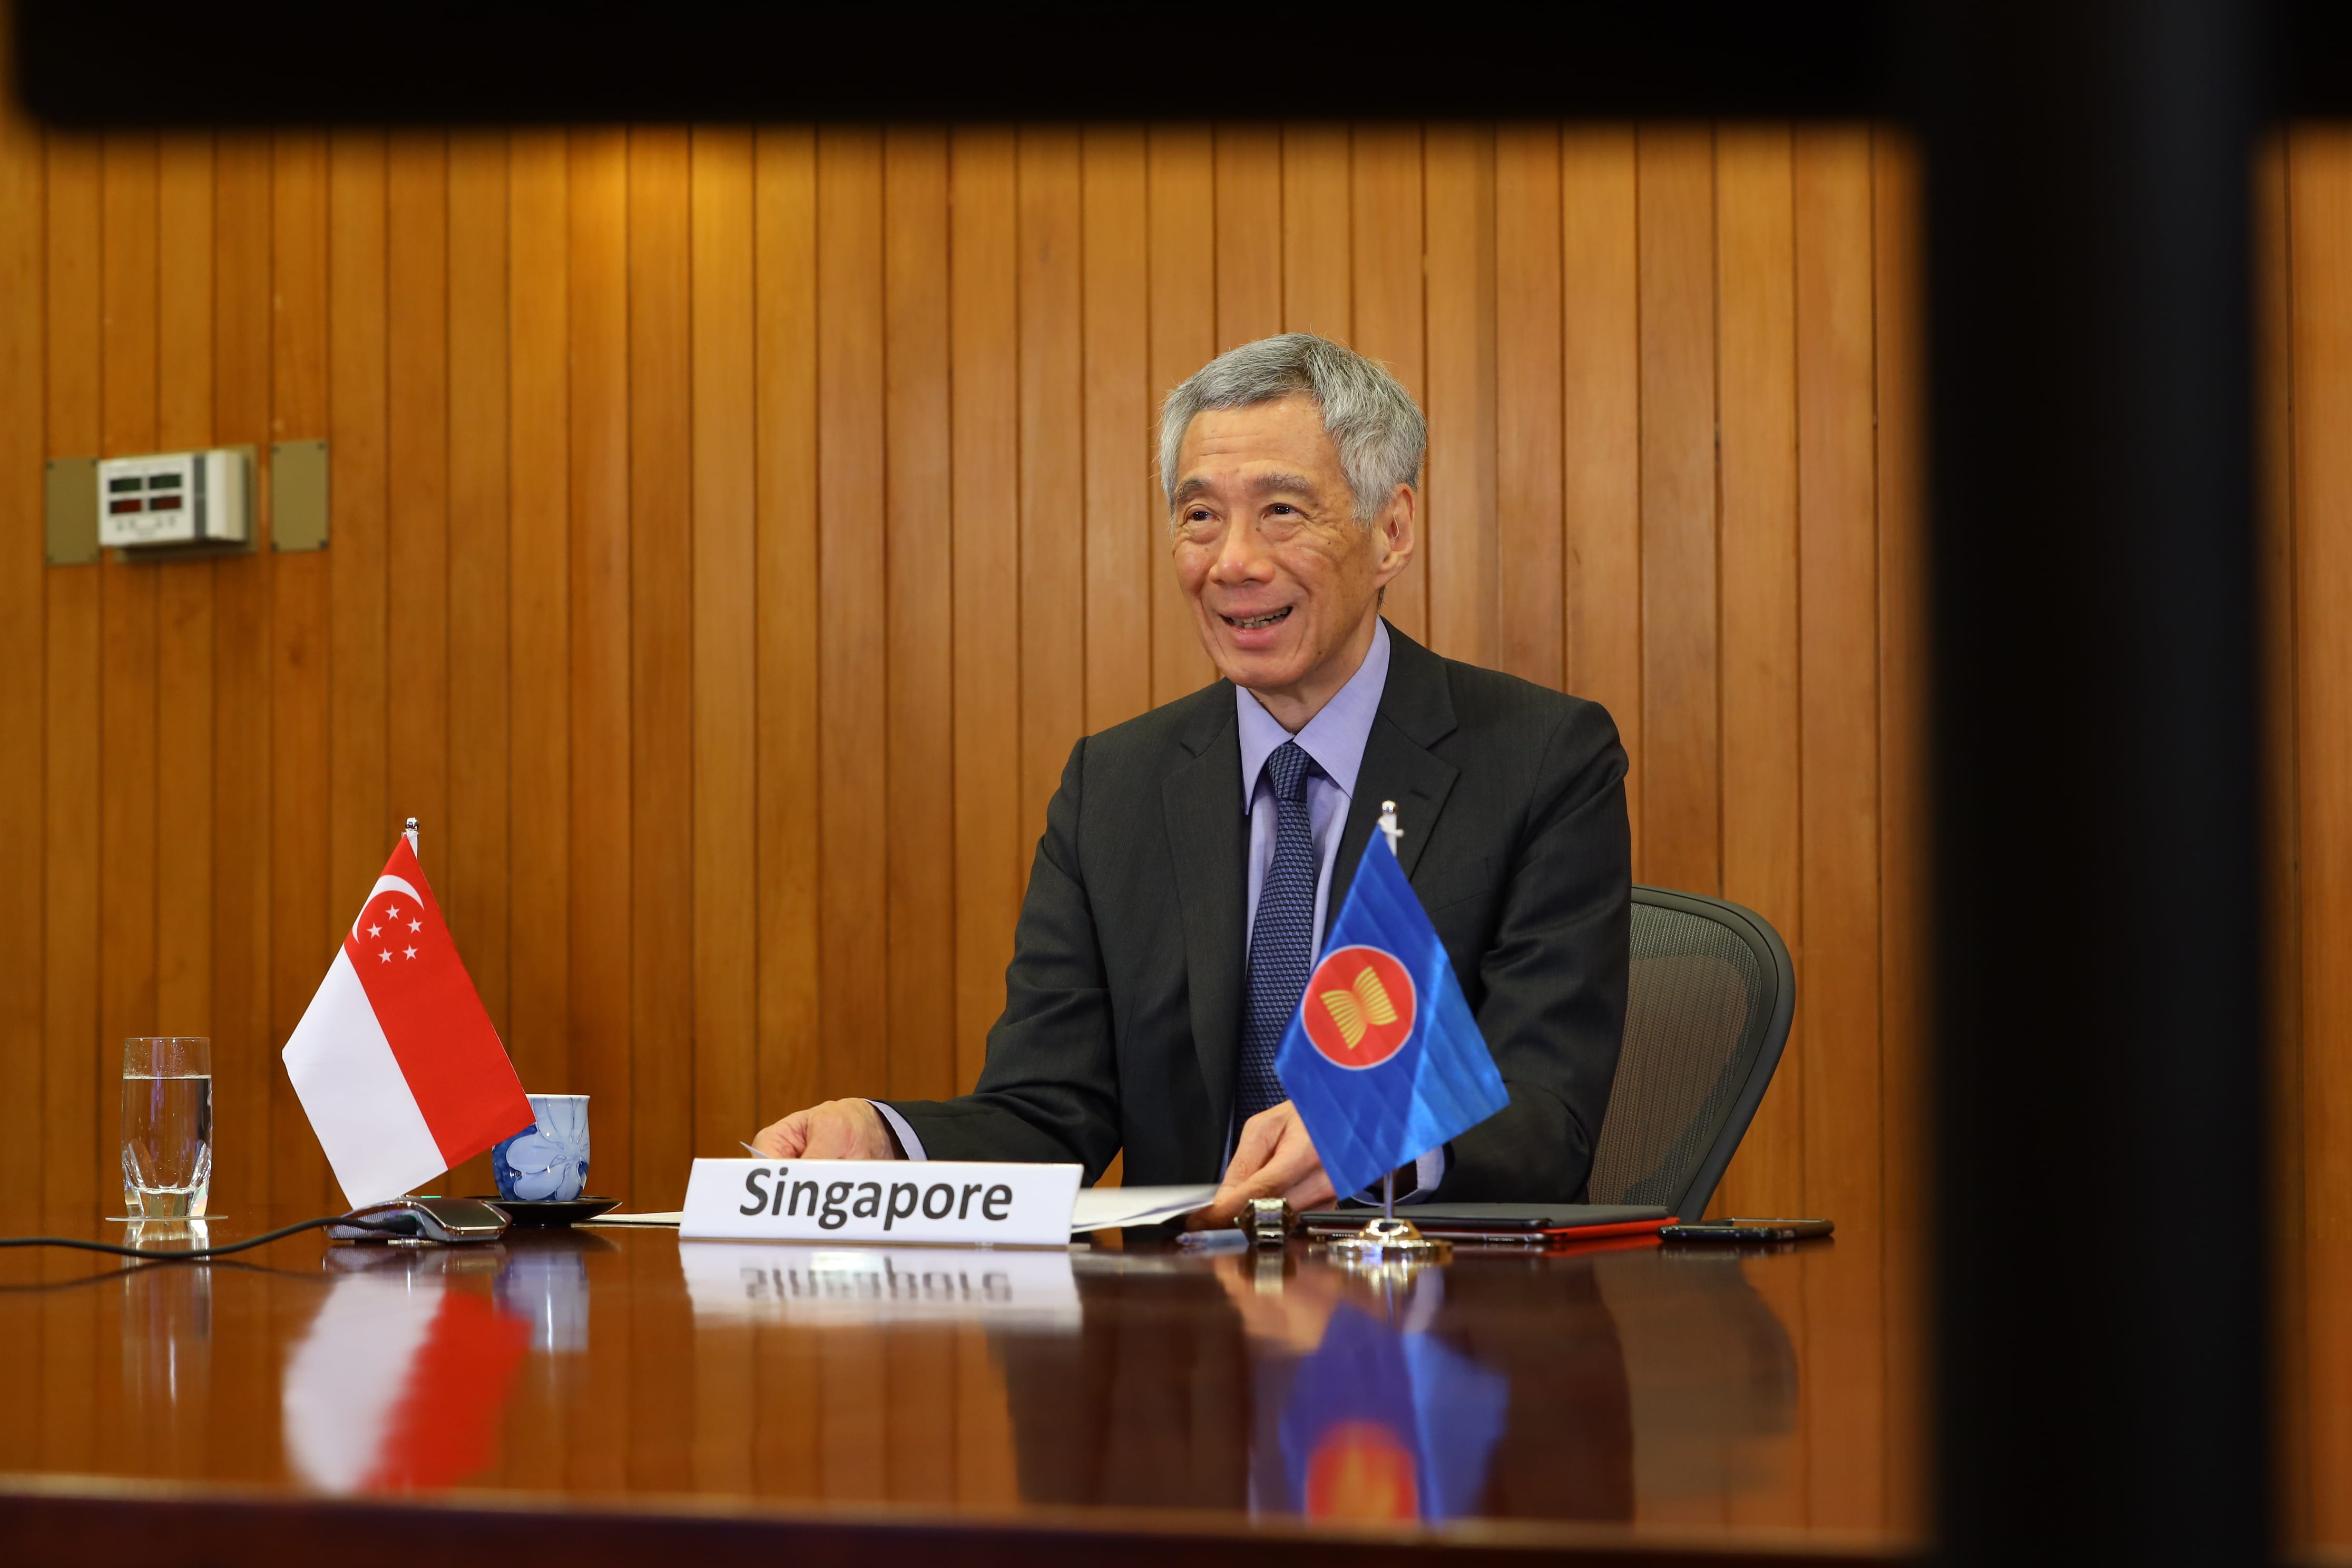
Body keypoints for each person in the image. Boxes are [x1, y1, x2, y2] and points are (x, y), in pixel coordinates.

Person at [751, 333, 1630, 1222]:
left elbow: (1547, 1121)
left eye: (1282, 511)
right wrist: (888, 1143)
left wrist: (1366, 1132)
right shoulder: (1116, 787)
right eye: (1199, 515)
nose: (1232, 562)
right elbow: (1050, 1110)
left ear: (1391, 531)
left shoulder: (1539, 760)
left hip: (1435, 1324)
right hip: (1184, 1329)